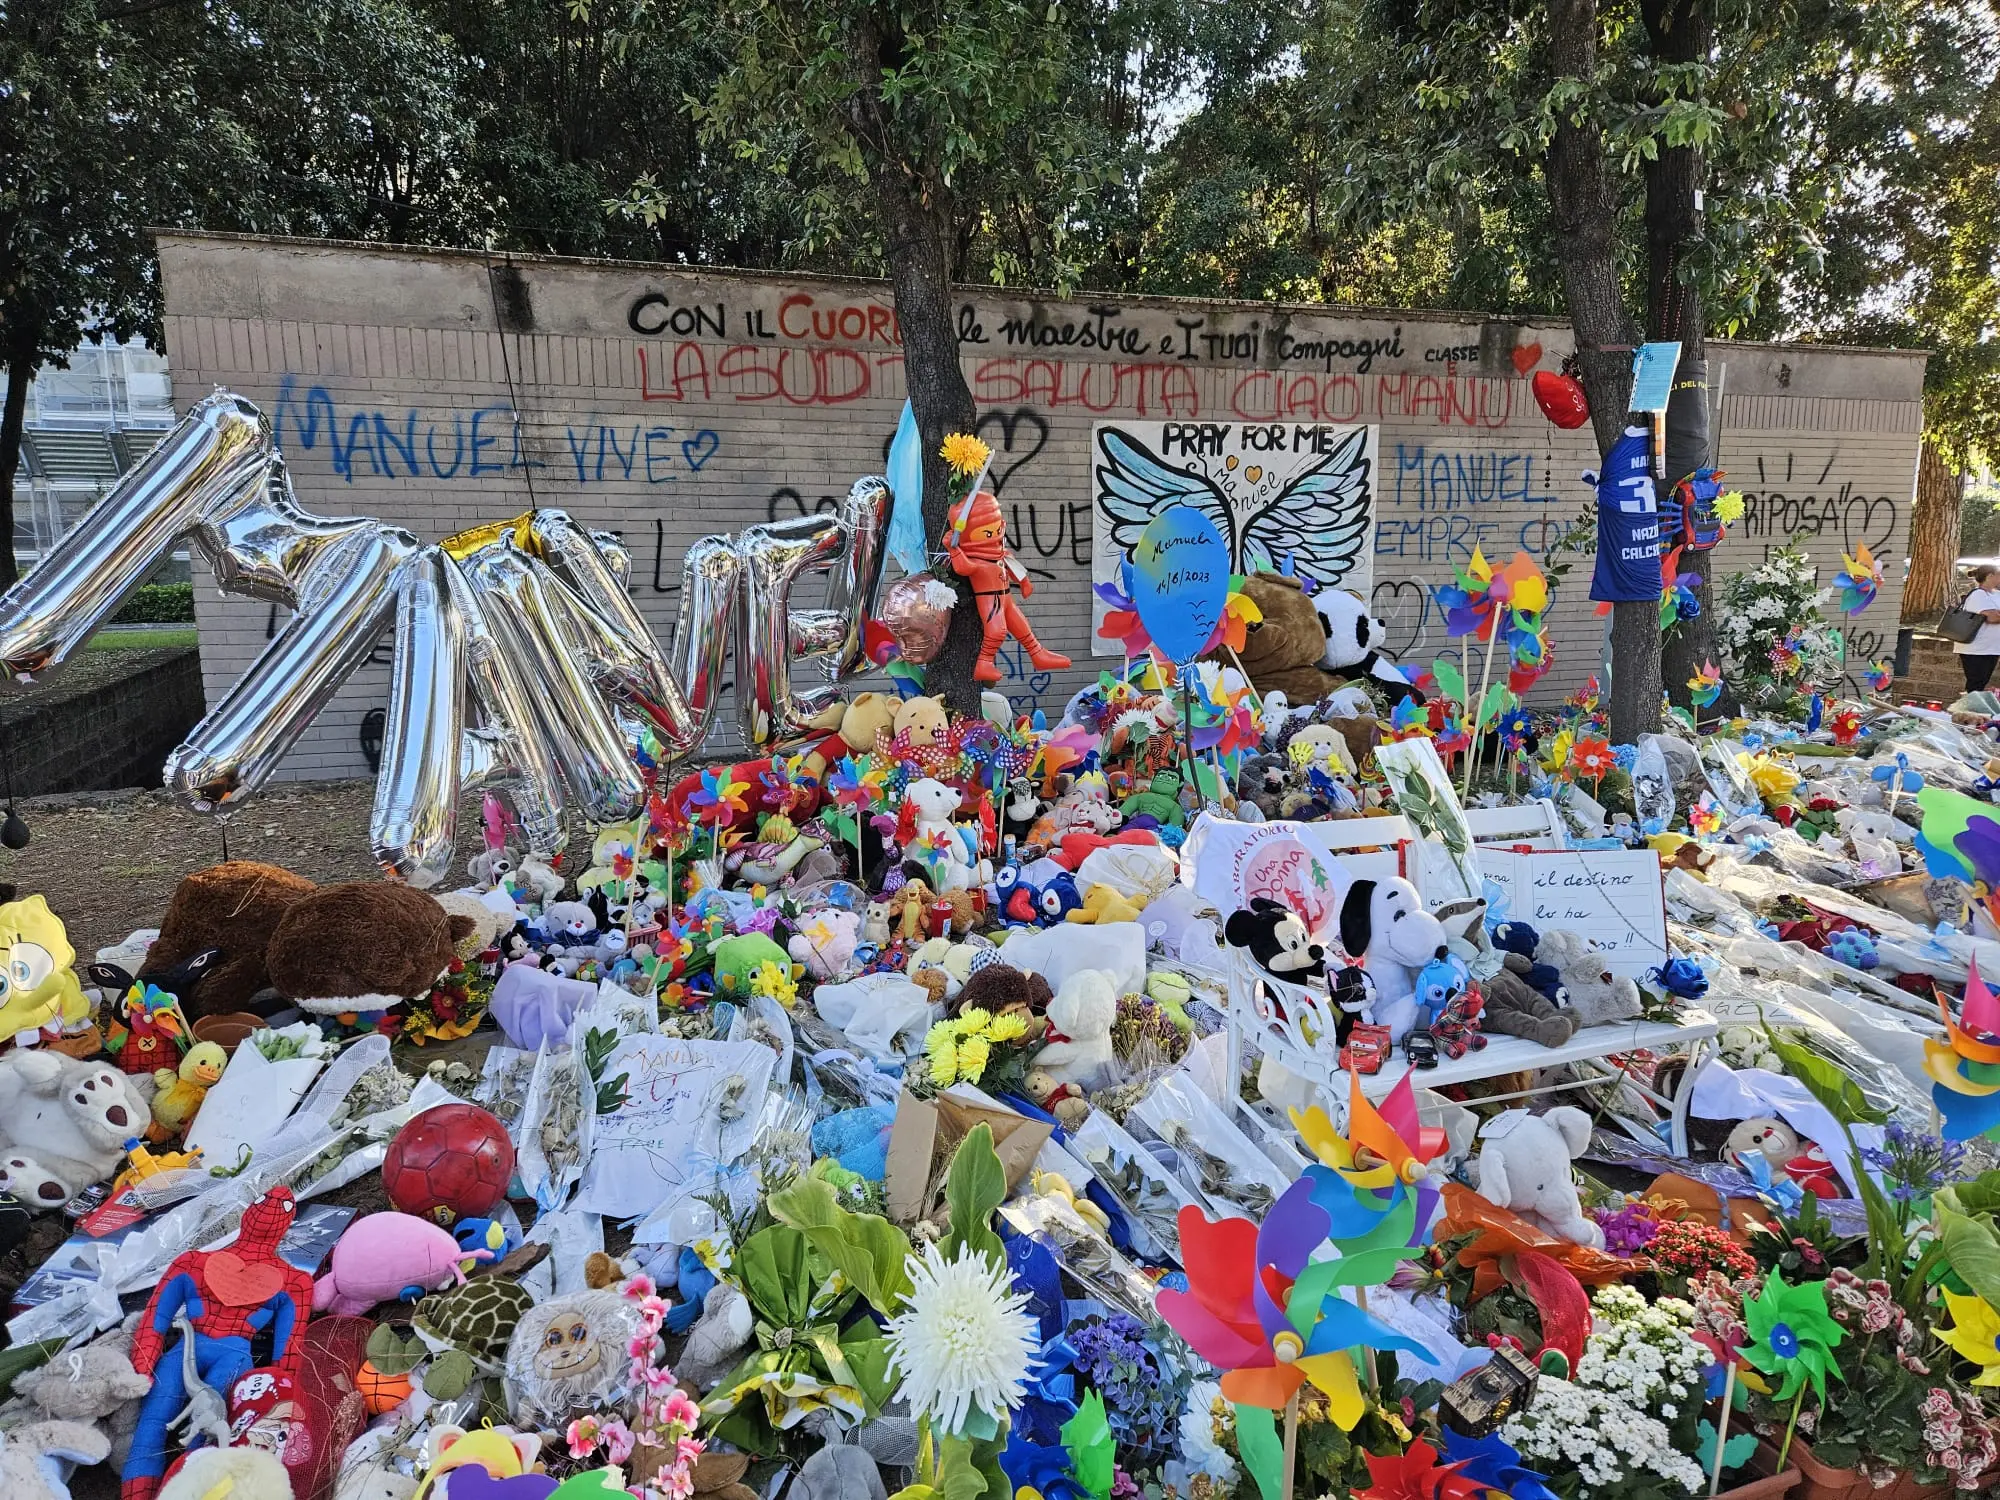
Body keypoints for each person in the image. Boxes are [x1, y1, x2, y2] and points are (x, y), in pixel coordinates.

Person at [1956, 563, 2000, 694]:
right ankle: (1969, 711)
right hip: (1976, 649)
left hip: (1992, 648)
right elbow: (1992, 618)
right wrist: (1995, 613)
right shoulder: (1978, 595)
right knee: (1976, 684)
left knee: (1982, 683)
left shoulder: (1996, 594)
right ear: (1990, 576)